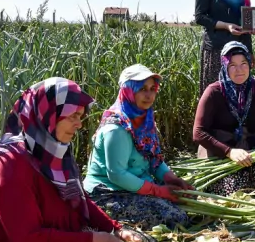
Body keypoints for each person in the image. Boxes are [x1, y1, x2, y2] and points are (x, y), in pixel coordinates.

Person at [0, 77, 161, 242]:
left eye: (80, 117)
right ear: (48, 115)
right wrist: (95, 241)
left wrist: (115, 229)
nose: (80, 124)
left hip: (61, 238)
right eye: (73, 116)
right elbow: (27, 239)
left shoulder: (53, 149)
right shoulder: (9, 164)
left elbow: (79, 199)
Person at [83, 64, 194, 232]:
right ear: (128, 91)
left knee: (188, 202)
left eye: (152, 89)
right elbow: (117, 175)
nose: (149, 95)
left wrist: (171, 178)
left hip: (135, 185)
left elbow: (153, 158)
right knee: (175, 218)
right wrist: (159, 191)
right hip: (107, 193)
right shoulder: (117, 128)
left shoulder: (144, 120)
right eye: (142, 89)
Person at [192, 41, 255, 195]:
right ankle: (247, 182)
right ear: (224, 66)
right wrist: (229, 152)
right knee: (235, 187)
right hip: (220, 151)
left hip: (250, 149)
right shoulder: (213, 92)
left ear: (250, 64)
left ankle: (253, 181)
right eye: (232, 65)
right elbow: (199, 133)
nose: (239, 70)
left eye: (244, 63)